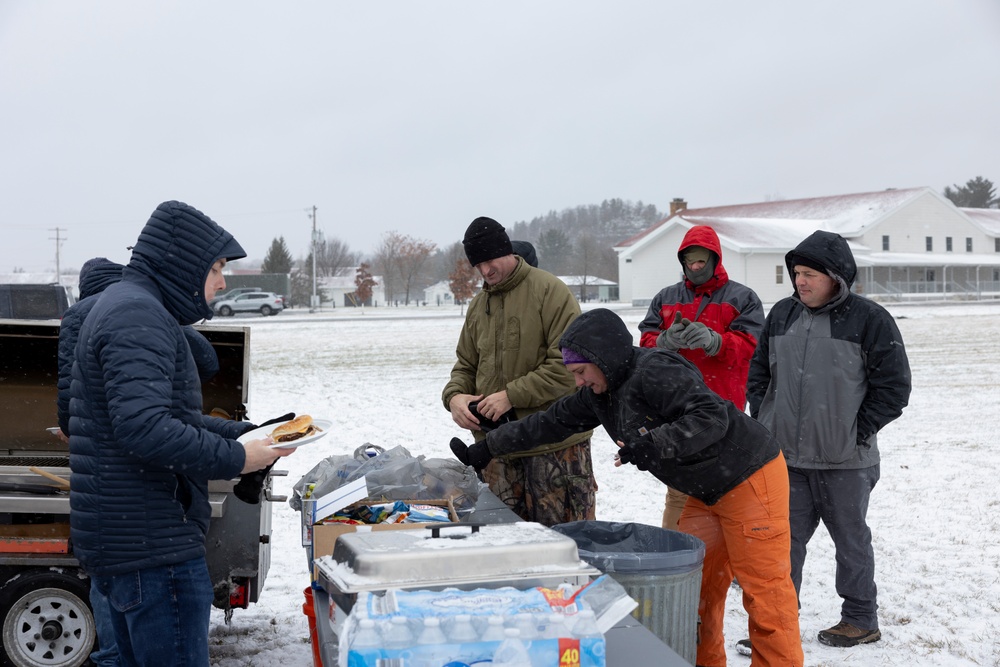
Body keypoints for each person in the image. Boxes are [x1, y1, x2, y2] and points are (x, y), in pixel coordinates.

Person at [450, 308, 803, 667]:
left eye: (581, 371)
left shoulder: (655, 371)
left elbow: (710, 416)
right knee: (695, 593)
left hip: (749, 475)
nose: (578, 382)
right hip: (703, 488)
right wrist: (488, 448)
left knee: (765, 592)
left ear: (604, 358)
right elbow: (551, 422)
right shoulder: (600, 392)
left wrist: (655, 443)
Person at [68, 201, 294, 667]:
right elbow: (145, 429)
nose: (222, 281)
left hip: (134, 541)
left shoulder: (130, 306)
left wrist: (243, 434)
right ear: (183, 264)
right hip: (154, 549)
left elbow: (160, 416)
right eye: (216, 268)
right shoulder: (138, 315)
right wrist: (239, 459)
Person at [747, 230, 911, 650]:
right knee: (782, 544)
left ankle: (860, 619)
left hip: (846, 461)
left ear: (836, 277)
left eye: (810, 274)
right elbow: (760, 373)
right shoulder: (782, 314)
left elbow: (894, 388)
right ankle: (777, 623)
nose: (800, 281)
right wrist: (764, 418)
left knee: (851, 542)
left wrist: (855, 432)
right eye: (797, 273)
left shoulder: (870, 319)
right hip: (787, 458)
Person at [442, 216, 596, 526]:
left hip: (553, 449)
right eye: (478, 265)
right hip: (496, 452)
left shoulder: (551, 291)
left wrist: (511, 396)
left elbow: (569, 366)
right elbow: (466, 365)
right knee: (505, 545)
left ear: (507, 250)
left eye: (490, 260)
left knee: (565, 543)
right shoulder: (478, 306)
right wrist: (454, 397)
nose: (486, 271)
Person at [638, 225, 764, 531]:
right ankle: (675, 551)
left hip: (725, 408)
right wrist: (663, 342)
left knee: (726, 490)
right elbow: (645, 345)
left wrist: (717, 342)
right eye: (689, 261)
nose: (695, 268)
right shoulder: (665, 298)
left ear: (715, 259)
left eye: (701, 261)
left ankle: (722, 553)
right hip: (676, 409)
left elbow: (752, 346)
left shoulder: (742, 298)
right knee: (679, 491)